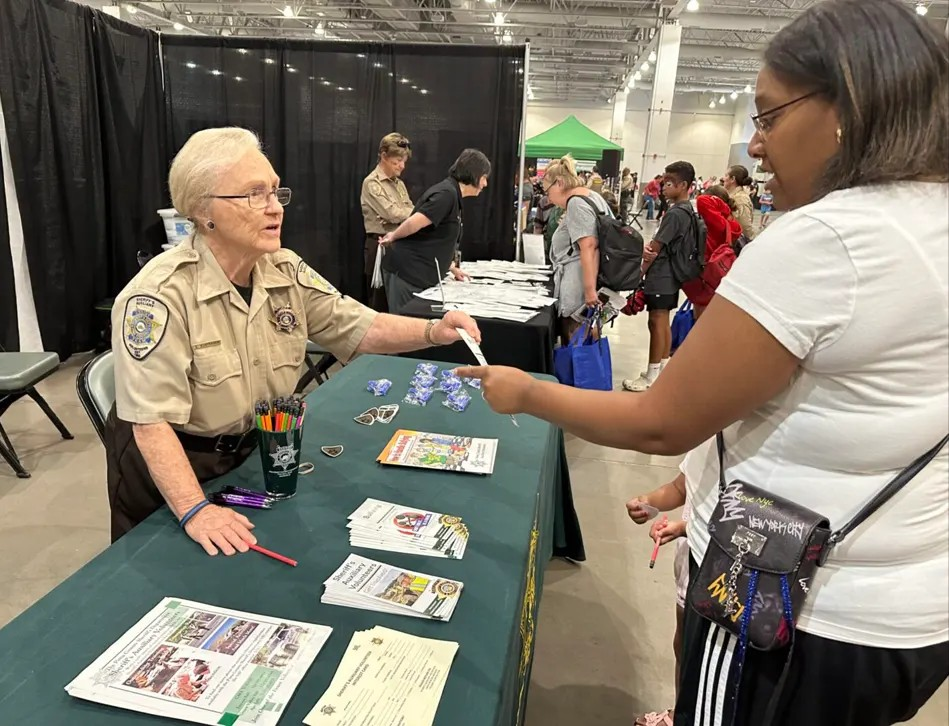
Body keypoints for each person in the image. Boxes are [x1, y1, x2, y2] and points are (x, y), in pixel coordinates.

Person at [458, 1, 949, 722]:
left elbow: (660, 421)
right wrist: (689, 495)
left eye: (769, 116)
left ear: (845, 106)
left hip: (792, 610)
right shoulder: (927, 220)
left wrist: (525, 393)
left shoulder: (829, 239)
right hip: (899, 606)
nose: (754, 146)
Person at [108, 127, 482, 553]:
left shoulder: (281, 268)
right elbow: (150, 422)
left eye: (275, 191)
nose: (275, 208)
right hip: (175, 467)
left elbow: (359, 326)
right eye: (254, 194)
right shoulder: (157, 297)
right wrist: (195, 509)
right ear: (202, 209)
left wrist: (434, 331)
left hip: (250, 451)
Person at [379, 149, 490, 313]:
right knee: (405, 327)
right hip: (408, 274)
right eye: (484, 178)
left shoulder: (453, 195)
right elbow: (414, 222)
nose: (485, 184)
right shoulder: (447, 195)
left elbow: (436, 238)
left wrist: (450, 267)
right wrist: (393, 236)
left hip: (417, 274)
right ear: (474, 174)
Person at [622, 161, 698, 392]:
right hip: (672, 276)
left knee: (656, 321)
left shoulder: (675, 213)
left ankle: (651, 375)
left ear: (684, 185)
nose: (663, 187)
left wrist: (637, 274)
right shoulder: (688, 210)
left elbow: (654, 249)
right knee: (663, 320)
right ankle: (660, 369)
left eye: (669, 183)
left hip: (661, 275)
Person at [543, 155, 612, 341]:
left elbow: (588, 246)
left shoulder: (576, 203)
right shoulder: (592, 196)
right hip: (592, 278)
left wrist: (589, 290)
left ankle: (574, 371)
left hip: (579, 283)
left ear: (559, 183)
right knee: (587, 335)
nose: (547, 197)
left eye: (547, 191)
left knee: (575, 335)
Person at [360, 132, 414, 312]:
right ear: (384, 156)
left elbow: (412, 211)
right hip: (380, 247)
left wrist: (405, 214)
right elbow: (392, 213)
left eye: (404, 161)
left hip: (400, 244)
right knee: (379, 302)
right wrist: (404, 214)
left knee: (398, 300)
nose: (402, 166)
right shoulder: (371, 183)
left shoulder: (399, 184)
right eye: (397, 161)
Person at [679, 188, 743, 319]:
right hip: (719, 274)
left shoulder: (715, 221)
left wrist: (723, 207)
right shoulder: (733, 225)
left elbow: (702, 200)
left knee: (700, 314)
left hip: (704, 272)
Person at [722, 164, 756, 239]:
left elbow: (745, 226)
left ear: (732, 179)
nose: (723, 178)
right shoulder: (733, 195)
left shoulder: (740, 199)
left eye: (726, 175)